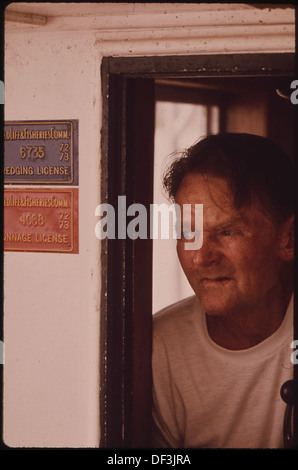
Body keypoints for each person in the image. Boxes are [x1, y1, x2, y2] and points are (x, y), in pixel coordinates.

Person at [152, 133, 294, 449]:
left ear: (288, 239)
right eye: (188, 233)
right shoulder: (159, 348)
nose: (201, 256)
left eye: (227, 231)